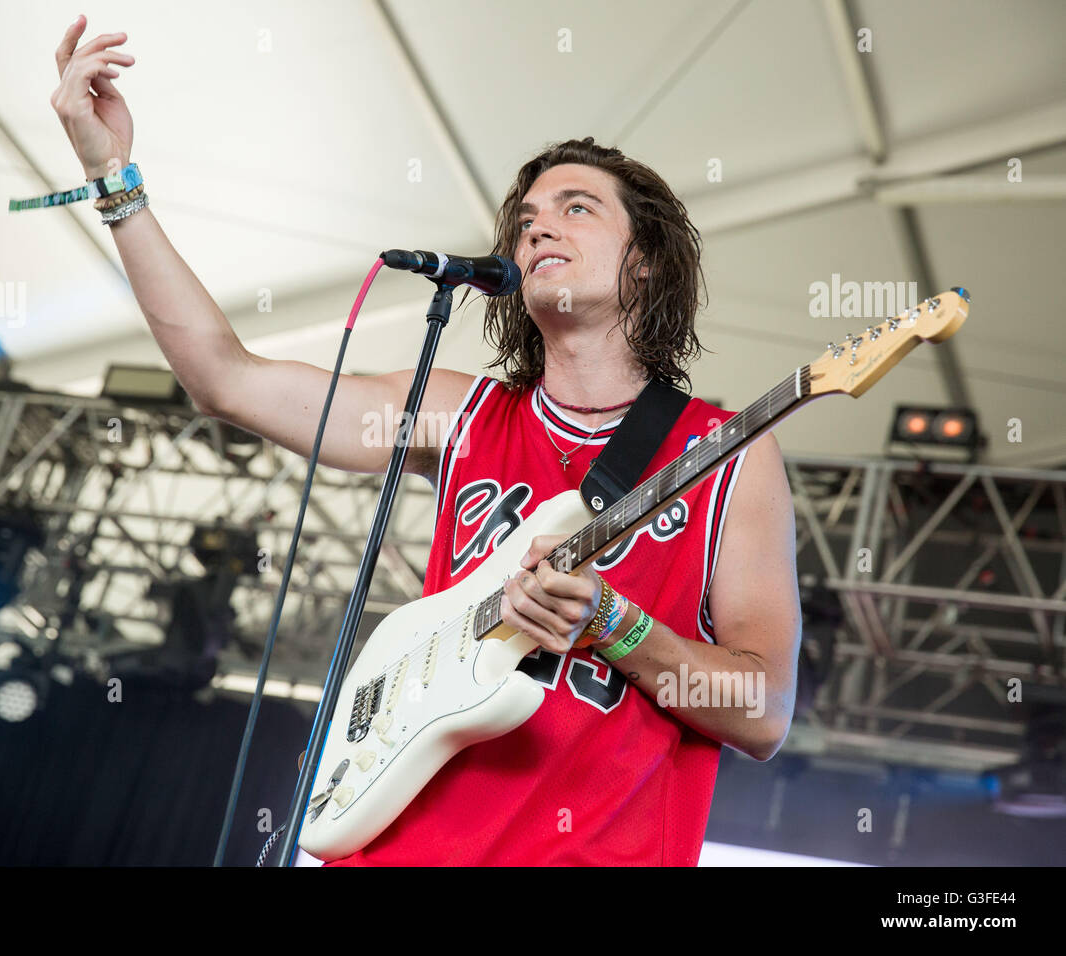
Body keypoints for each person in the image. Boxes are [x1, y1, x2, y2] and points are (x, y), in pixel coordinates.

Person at [50, 16, 802, 866]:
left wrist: (616, 625)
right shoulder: (459, 413)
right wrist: (112, 179)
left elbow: (764, 708)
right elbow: (226, 379)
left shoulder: (726, 453)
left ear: (646, 264)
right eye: (524, 221)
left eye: (576, 208)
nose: (536, 229)